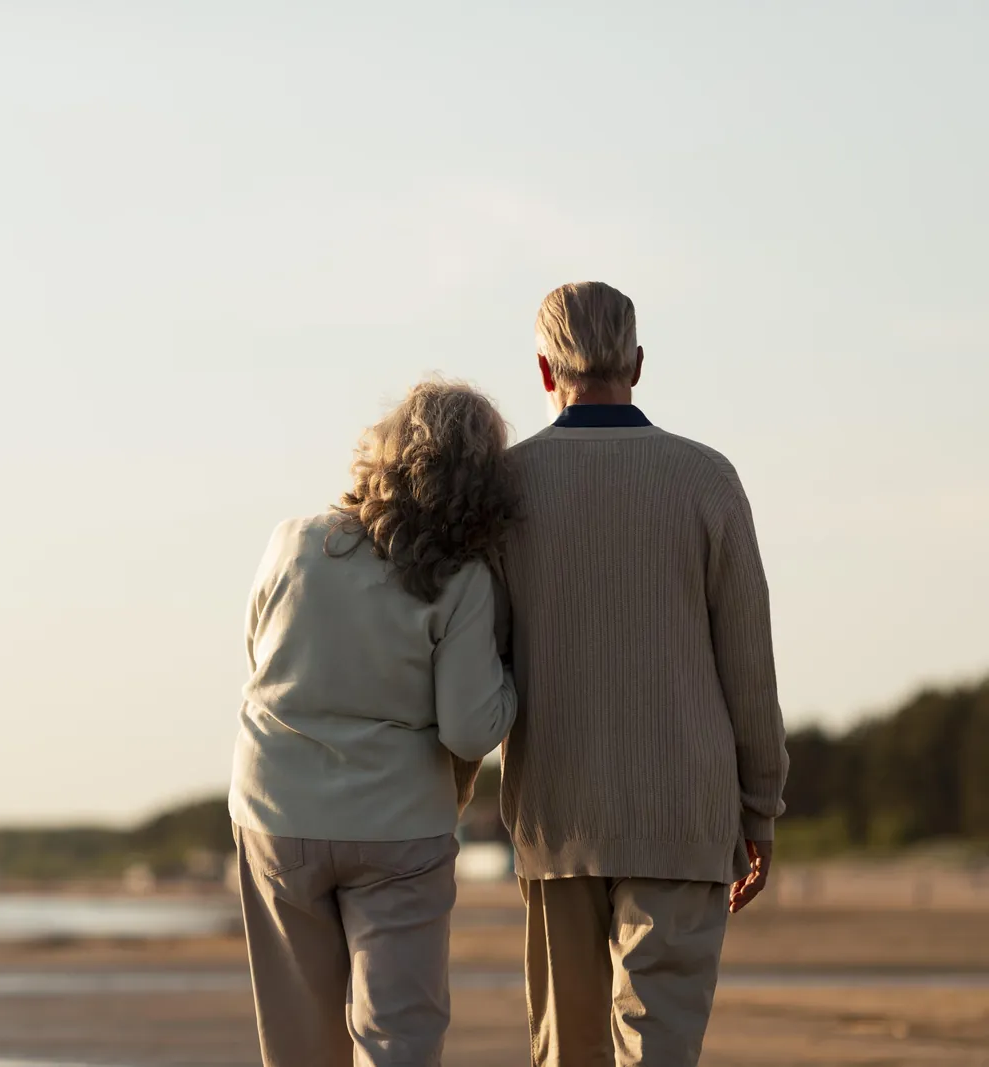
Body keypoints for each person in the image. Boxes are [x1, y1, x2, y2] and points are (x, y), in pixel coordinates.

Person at [501, 282, 790, 1066]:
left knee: (569, 1052)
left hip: (557, 815)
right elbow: (749, 664)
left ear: (542, 369)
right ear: (637, 362)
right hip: (682, 812)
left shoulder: (506, 488)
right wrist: (759, 807)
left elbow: (479, 660)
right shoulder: (706, 479)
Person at [229, 379, 521, 1067]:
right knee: (399, 1039)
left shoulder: (293, 542)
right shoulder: (463, 579)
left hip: (278, 812)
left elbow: (257, 651)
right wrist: (513, 682)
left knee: (299, 1043)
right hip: (399, 825)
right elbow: (470, 730)